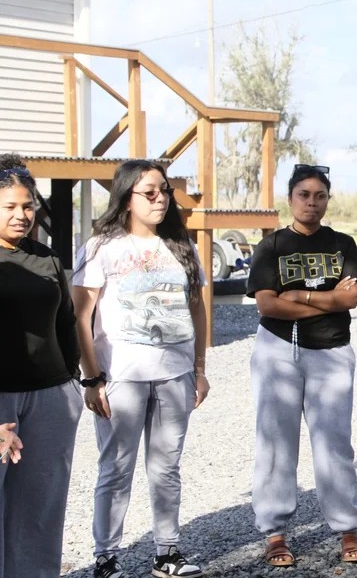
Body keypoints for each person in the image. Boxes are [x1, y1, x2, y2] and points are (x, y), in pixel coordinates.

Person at [73, 160, 209, 578]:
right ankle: (106, 558)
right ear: (127, 197)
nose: (160, 198)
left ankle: (167, 553)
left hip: (174, 374)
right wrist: (92, 378)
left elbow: (197, 307)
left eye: (164, 190)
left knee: (167, 468)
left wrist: (199, 368)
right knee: (116, 467)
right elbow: (80, 317)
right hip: (121, 379)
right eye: (149, 192)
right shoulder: (101, 247)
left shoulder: (180, 246)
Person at [246, 164, 357, 566]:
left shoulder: (343, 244)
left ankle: (347, 526)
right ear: (290, 198)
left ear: (327, 200)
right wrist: (325, 299)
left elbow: (349, 300)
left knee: (333, 442)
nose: (311, 202)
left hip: (331, 350)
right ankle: (275, 532)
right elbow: (266, 304)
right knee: (276, 442)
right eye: (304, 194)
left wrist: (299, 296)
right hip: (278, 350)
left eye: (319, 196)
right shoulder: (272, 246)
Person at [0, 153, 83, 578]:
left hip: (52, 397)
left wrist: (73, 384)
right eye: (10, 206)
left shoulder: (47, 258)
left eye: (28, 205)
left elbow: (66, 322)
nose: (22, 215)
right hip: (2, 401)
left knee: (41, 507)